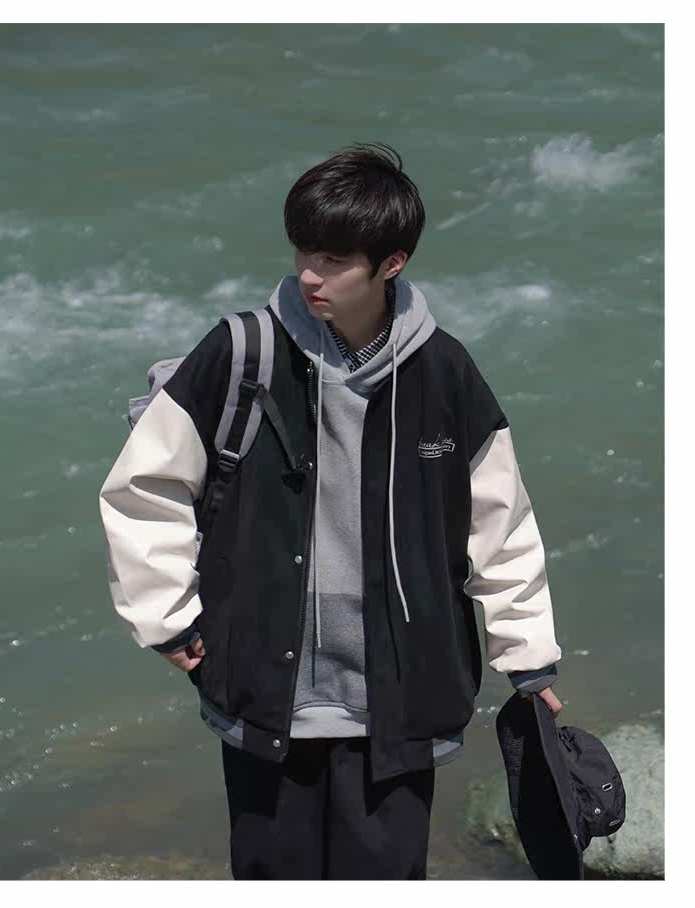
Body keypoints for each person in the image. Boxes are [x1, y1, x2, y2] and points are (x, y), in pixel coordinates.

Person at [98, 141, 563, 880]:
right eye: (304, 252)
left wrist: (528, 658)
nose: (310, 275)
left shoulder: (445, 373)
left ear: (392, 263)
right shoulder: (240, 354)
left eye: (335, 260)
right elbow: (143, 488)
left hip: (401, 701)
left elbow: (501, 527)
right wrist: (168, 619)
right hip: (263, 692)